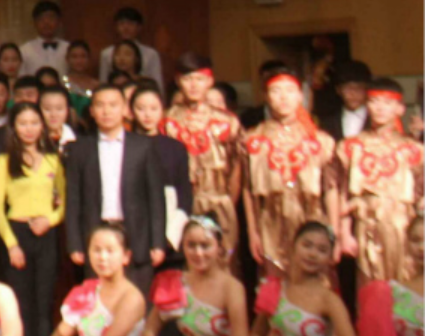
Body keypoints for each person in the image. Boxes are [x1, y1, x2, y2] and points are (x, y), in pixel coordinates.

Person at [63, 87, 166, 308]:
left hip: (137, 237)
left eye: (113, 105)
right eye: (100, 105)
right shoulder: (80, 148)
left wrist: (158, 242)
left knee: (138, 305)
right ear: (92, 111)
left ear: (125, 109)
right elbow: (73, 199)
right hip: (96, 235)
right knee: (99, 307)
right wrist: (74, 243)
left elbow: (156, 199)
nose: (106, 111)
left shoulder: (143, 146)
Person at [0, 103, 64, 336]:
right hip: (16, 234)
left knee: (44, 303)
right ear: (14, 127)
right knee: (21, 304)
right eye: (23, 123)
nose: (29, 129)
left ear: (42, 126)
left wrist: (50, 220)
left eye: (34, 123)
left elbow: (64, 202)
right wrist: (11, 245)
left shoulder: (54, 160)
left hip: (46, 235)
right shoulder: (4, 161)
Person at [335, 78, 424, 302]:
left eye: (387, 103)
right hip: (367, 225)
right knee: (369, 287)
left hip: (404, 226)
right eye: (375, 102)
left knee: (405, 283)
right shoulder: (351, 146)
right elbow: (344, 193)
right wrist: (344, 233)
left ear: (400, 108)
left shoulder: (413, 149)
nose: (380, 108)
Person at [243, 66, 333, 279]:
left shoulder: (320, 140)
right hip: (270, 220)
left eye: (290, 91)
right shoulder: (253, 139)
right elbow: (248, 189)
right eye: (276, 91)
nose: (283, 97)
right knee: (273, 282)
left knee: (313, 281)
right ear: (266, 96)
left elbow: (331, 189)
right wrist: (252, 231)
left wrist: (334, 230)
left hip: (310, 216)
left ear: (301, 96)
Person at [163, 56, 243, 256]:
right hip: (179, 205)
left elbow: (237, 166)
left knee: (221, 259)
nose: (193, 85)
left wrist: (228, 202)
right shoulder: (167, 120)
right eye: (187, 79)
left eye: (199, 79)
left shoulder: (227, 121)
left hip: (219, 199)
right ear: (178, 81)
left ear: (210, 81)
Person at [128, 84, 193, 245]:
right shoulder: (124, 145)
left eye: (154, 108)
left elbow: (184, 192)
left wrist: (174, 229)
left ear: (163, 111)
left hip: (170, 218)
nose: (147, 114)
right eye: (141, 108)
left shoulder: (175, 147)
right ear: (131, 111)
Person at [99, 7, 163, 89]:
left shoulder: (151, 54)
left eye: (130, 24)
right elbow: (103, 82)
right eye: (121, 24)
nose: (126, 28)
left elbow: (157, 83)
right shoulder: (107, 53)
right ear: (116, 27)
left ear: (139, 27)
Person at [18, 1, 68, 77]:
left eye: (51, 18)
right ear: (34, 23)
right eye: (41, 19)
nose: (46, 23)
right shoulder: (24, 51)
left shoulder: (68, 49)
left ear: (59, 21)